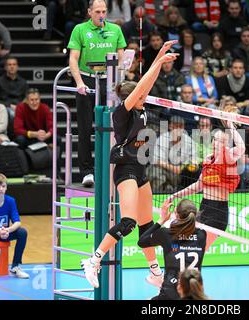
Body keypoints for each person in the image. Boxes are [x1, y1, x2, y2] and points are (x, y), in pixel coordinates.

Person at [80, 41, 179, 289]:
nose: (145, 95)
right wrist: (157, 60)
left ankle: (155, 273)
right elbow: (143, 85)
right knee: (129, 223)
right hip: (125, 169)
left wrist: (160, 57)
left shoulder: (141, 107)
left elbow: (148, 83)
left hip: (140, 168)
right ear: (130, 96)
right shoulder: (121, 112)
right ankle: (93, 260)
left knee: (146, 227)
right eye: (140, 94)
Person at [163, 101, 245, 251]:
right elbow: (198, 185)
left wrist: (230, 126)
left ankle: (185, 273)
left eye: (222, 141)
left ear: (226, 145)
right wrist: (174, 195)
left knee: (198, 250)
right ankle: (181, 272)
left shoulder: (229, 158)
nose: (217, 143)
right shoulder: (208, 159)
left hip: (218, 212)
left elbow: (241, 148)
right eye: (216, 140)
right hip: (204, 207)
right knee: (187, 248)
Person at [68, 0, 126, 187]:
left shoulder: (115, 30)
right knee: (85, 128)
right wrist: (79, 82)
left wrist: (120, 79)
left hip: (109, 80)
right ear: (90, 12)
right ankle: (87, 172)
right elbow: (73, 58)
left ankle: (111, 167)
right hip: (87, 79)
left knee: (113, 126)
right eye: (98, 11)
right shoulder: (79, 29)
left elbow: (122, 56)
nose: (101, 15)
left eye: (104, 11)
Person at [138, 199, 207, 300]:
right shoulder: (202, 235)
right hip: (193, 293)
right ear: (194, 215)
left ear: (176, 214)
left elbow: (142, 242)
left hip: (169, 294)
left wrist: (161, 219)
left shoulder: (166, 234)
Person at [147, 115, 198, 192]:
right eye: (176, 127)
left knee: (195, 171)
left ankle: (188, 194)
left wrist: (188, 166)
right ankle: (158, 195)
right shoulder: (162, 139)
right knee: (155, 170)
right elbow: (156, 160)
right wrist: (174, 168)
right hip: (164, 170)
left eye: (180, 127)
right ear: (170, 126)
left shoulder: (189, 142)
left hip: (182, 173)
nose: (178, 130)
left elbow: (194, 160)